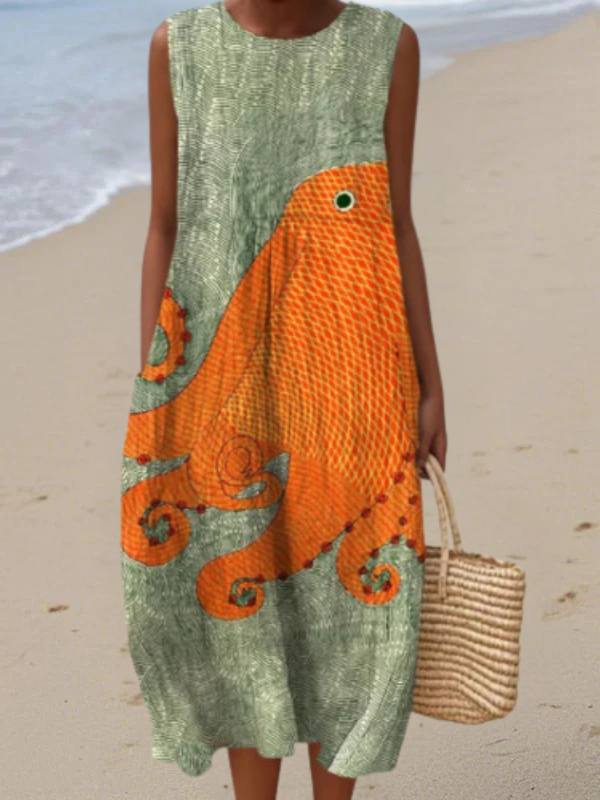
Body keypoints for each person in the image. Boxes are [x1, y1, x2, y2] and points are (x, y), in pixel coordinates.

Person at [120, 2, 447, 799]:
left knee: (347, 606)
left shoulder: (386, 47)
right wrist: (159, 383)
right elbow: (164, 224)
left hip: (358, 373)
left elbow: (397, 223)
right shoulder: (179, 47)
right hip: (219, 382)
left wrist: (431, 383)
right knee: (241, 608)